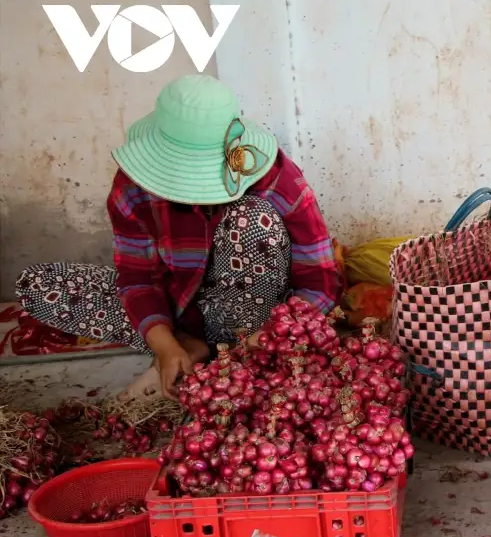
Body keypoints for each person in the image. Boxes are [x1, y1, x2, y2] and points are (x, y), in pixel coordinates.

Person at [15, 74, 341, 400]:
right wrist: (164, 345)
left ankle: (234, 351)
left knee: (254, 220)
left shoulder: (275, 178)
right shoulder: (132, 188)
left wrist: (271, 336)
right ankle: (189, 346)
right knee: (39, 284)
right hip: (182, 308)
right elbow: (137, 277)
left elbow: (321, 279)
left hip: (252, 316)